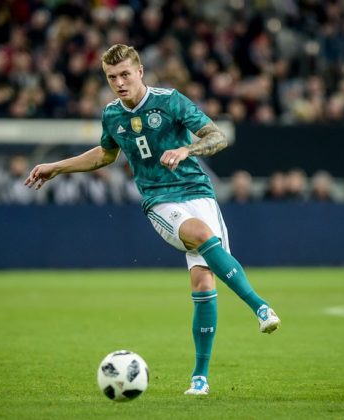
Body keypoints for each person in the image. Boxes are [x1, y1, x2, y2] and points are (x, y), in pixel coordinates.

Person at [25, 44, 280, 396]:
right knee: (200, 234)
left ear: (140, 72)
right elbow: (105, 155)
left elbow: (217, 136)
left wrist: (187, 149)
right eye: (111, 77)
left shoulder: (169, 101)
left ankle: (200, 379)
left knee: (203, 284)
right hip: (159, 200)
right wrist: (56, 167)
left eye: (125, 74)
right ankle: (260, 307)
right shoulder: (111, 115)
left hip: (198, 192)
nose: (119, 82)